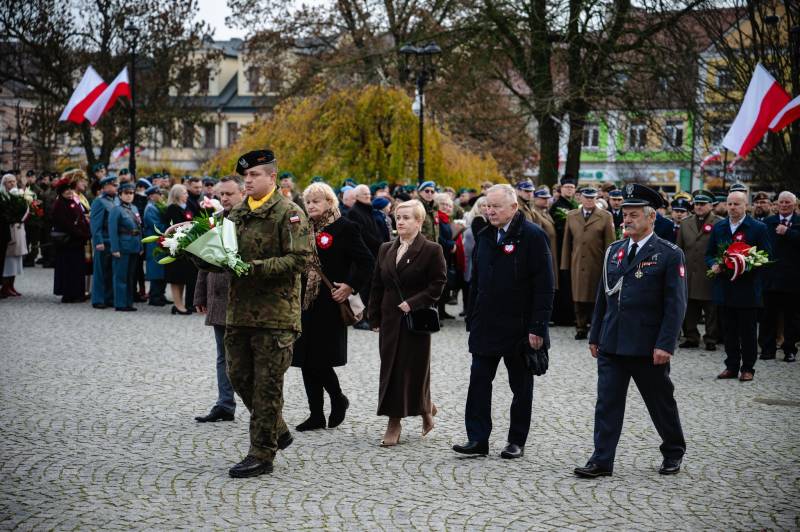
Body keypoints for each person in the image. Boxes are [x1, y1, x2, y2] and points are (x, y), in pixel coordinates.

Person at [574, 183, 687, 479]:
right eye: (625, 214)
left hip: (647, 345)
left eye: (634, 214)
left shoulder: (668, 254)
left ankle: (673, 450)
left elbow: (675, 304)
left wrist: (666, 344)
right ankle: (601, 459)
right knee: (607, 403)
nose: (627, 219)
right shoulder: (614, 251)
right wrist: (595, 334)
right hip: (612, 342)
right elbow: (603, 296)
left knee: (660, 402)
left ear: (651, 217)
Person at [224, 149, 312, 478]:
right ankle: (278, 428)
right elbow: (222, 254)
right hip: (239, 311)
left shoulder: (289, 213)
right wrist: (190, 250)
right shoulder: (237, 213)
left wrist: (255, 268)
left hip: (276, 316)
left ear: (272, 177)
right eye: (245, 176)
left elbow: (300, 259)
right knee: (238, 376)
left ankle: (261, 453)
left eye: (254, 175)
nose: (247, 181)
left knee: (267, 387)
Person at [454, 184, 554, 459]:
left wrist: (538, 327)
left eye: (496, 206)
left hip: (519, 327)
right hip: (486, 324)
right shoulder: (485, 234)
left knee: (520, 386)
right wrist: (472, 316)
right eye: (488, 205)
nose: (490, 211)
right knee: (478, 382)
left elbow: (545, 286)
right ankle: (477, 438)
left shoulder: (532, 236)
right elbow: (476, 281)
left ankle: (516, 440)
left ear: (513, 207)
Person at [292, 182, 374, 431]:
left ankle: (338, 398)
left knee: (320, 359)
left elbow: (367, 262)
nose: (311, 206)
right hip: (305, 300)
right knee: (305, 359)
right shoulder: (302, 227)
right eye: (308, 201)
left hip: (330, 301)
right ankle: (316, 414)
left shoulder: (345, 227)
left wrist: (350, 286)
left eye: (316, 201)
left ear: (330, 202)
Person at [369, 199, 446, 447]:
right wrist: (374, 316)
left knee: (413, 369)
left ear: (419, 221)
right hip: (390, 318)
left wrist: (413, 303)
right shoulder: (385, 248)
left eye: (406, 218)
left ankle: (408, 416)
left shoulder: (432, 249)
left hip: (415, 320)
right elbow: (377, 284)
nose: (400, 222)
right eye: (398, 218)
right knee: (390, 369)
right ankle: (409, 414)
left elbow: (438, 284)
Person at [193, 176, 245, 423]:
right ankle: (225, 404)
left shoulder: (250, 221)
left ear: (242, 193)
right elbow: (204, 259)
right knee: (223, 355)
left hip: (242, 299)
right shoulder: (214, 220)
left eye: (229, 194)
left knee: (244, 357)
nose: (224, 198)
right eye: (221, 194)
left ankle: (260, 408)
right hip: (218, 296)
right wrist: (200, 294)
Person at [706, 191, 772, 382]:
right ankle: (731, 366)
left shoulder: (758, 228)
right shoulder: (719, 227)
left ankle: (748, 368)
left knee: (748, 331)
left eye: (737, 204)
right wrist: (713, 264)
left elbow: (767, 255)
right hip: (725, 287)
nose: (732, 207)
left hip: (747, 288)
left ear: (746, 206)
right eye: (730, 204)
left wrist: (747, 264)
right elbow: (709, 253)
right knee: (729, 331)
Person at [561, 187, 615, 339]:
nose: (589, 201)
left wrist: (610, 265)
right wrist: (565, 264)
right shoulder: (572, 215)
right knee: (578, 296)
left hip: (596, 262)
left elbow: (610, 243)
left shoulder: (605, 216)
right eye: (587, 198)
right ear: (580, 198)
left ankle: (595, 326)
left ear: (596, 199)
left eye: (592, 198)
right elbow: (567, 242)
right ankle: (580, 327)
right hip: (577, 262)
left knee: (596, 296)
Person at [675, 190, 721, 350]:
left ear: (711, 206)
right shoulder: (685, 223)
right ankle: (691, 337)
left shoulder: (719, 223)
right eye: (697, 204)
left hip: (709, 271)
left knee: (711, 309)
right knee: (690, 307)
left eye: (703, 204)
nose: (699, 207)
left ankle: (711, 338)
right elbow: (679, 248)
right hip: (689, 272)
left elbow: (722, 249)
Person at [760, 191, 799, 362]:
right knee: (768, 315)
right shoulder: (768, 222)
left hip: (793, 279)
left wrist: (788, 232)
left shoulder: (798, 222)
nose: (784, 205)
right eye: (781, 202)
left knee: (792, 317)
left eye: (787, 202)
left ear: (794, 205)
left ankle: (789, 349)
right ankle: (767, 349)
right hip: (771, 277)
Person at [346, 184, 383, 330]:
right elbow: (362, 234)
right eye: (364, 194)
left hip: (373, 253)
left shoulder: (368, 210)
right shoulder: (354, 212)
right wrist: (378, 244)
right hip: (362, 256)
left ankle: (367, 316)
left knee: (369, 288)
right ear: (356, 196)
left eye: (368, 193)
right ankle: (359, 319)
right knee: (362, 289)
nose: (368, 196)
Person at [51, 177, 90, 303]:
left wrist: (85, 231)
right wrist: (81, 234)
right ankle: (68, 294)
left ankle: (78, 292)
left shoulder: (72, 201)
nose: (69, 192)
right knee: (68, 269)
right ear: (61, 192)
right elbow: (65, 224)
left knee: (77, 268)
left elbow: (80, 218)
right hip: (68, 242)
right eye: (65, 190)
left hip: (77, 241)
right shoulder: (59, 204)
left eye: (70, 189)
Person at [108, 183, 142, 311]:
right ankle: (120, 303)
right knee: (120, 276)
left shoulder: (134, 208)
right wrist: (115, 248)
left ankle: (129, 302)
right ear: (120, 195)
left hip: (134, 245)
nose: (129, 196)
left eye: (131, 193)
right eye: (126, 193)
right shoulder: (116, 210)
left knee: (130, 276)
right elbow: (113, 231)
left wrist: (141, 246)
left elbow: (139, 228)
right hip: (122, 246)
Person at [550, 175, 578, 325]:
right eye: (567, 187)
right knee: (563, 280)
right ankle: (563, 316)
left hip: (573, 247)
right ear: (561, 189)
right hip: (562, 248)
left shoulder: (575, 204)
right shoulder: (557, 206)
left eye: (572, 187)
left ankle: (571, 314)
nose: (569, 190)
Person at [163, 184, 194, 315]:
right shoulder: (172, 209)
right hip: (175, 247)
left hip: (186, 248)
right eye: (184, 193)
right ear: (177, 195)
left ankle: (179, 304)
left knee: (182, 277)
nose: (187, 195)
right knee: (175, 278)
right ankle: (178, 305)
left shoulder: (186, 207)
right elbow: (175, 227)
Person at [89, 175, 118, 309]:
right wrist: (98, 241)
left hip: (113, 241)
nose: (115, 187)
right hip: (104, 241)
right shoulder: (99, 202)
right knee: (100, 272)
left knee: (111, 271)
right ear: (105, 187)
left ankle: (109, 297)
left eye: (116, 185)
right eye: (113, 185)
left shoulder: (115, 201)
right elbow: (95, 224)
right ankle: (98, 299)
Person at [1, 174, 27, 297]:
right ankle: (5, 286)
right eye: (9, 182)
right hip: (8, 231)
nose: (12, 184)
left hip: (18, 229)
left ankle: (11, 285)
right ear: (4, 184)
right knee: (9, 261)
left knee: (17, 260)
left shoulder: (19, 195)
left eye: (14, 181)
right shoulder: (3, 197)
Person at [142, 186, 168, 306]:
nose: (161, 196)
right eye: (159, 194)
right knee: (156, 270)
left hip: (158, 242)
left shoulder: (155, 206)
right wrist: (169, 228)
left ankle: (160, 295)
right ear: (152, 196)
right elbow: (157, 227)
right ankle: (155, 296)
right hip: (154, 243)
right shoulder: (150, 208)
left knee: (161, 269)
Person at [531, 188, 559, 290]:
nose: (546, 200)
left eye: (547, 198)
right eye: (543, 198)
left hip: (551, 250)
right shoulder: (535, 214)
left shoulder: (546, 213)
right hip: (544, 253)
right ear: (535, 199)